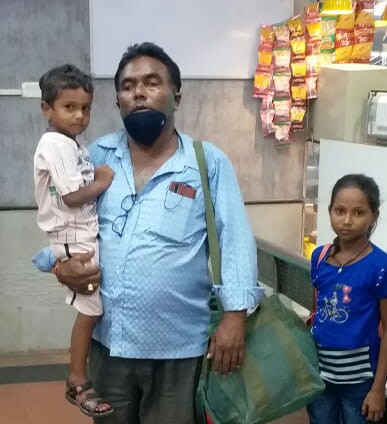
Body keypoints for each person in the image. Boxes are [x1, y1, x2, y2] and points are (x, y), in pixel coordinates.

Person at [33, 42, 263, 424]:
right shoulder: (95, 156)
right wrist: (61, 268)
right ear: (118, 101)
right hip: (109, 345)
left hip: (179, 351)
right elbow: (62, 217)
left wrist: (235, 316)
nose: (138, 92)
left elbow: (235, 240)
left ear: (176, 96)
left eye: (152, 83)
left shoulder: (206, 163)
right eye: (127, 86)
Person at [32, 64, 113, 417]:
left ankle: (49, 257)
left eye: (86, 108)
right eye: (69, 107)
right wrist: (102, 181)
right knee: (90, 310)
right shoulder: (55, 143)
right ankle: (77, 379)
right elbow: (71, 197)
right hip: (73, 236)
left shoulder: (71, 144)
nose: (80, 115)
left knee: (91, 307)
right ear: (47, 109)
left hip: (78, 234)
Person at [307, 174, 387, 424]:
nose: (347, 220)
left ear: (374, 215)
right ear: (330, 211)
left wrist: (378, 389)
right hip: (320, 375)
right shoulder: (319, 257)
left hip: (360, 381)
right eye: (339, 211)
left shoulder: (381, 266)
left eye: (358, 213)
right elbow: (319, 311)